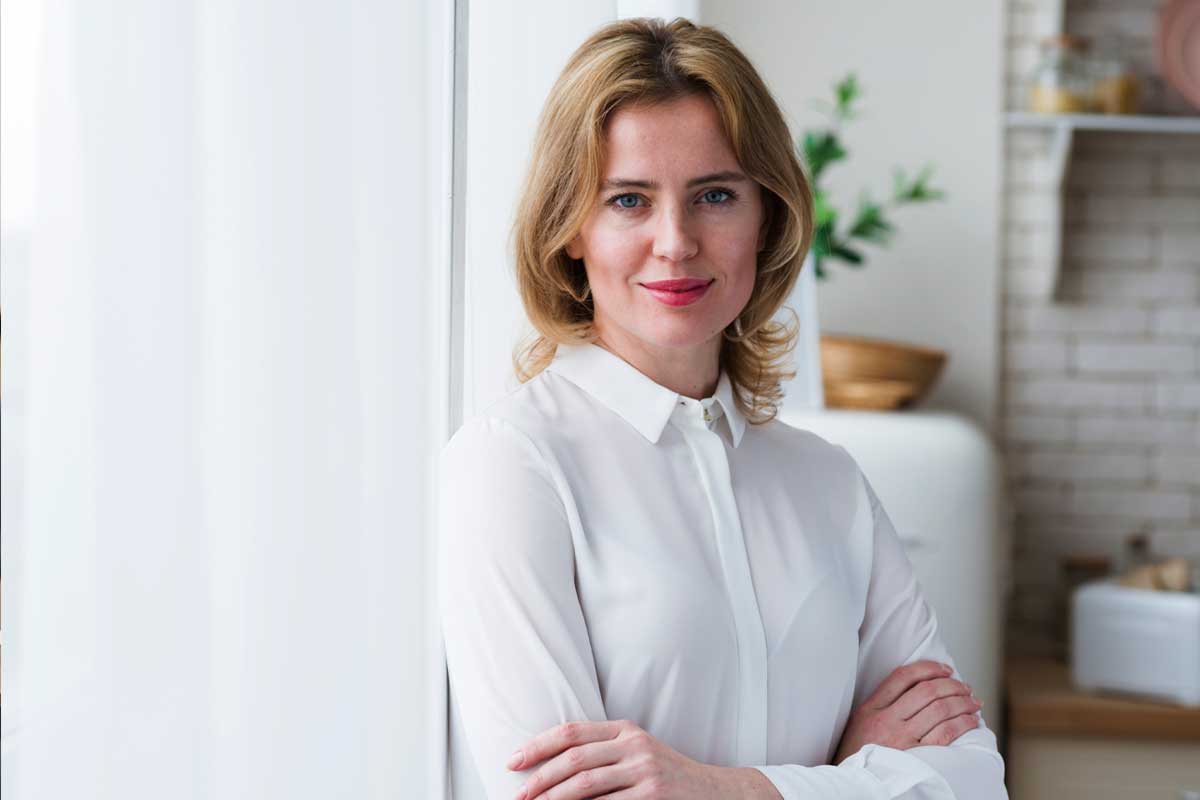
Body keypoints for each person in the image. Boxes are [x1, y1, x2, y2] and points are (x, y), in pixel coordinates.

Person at [437, 17, 1008, 800]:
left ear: (765, 216)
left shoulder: (829, 482)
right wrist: (848, 776)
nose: (676, 242)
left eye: (714, 195)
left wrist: (719, 788)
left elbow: (970, 782)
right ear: (571, 228)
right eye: (628, 199)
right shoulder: (512, 464)